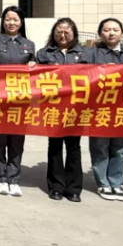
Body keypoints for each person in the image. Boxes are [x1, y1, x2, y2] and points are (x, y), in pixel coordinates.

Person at [82, 17, 123, 202]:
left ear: (122, 33)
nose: (111, 33)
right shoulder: (90, 54)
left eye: (115, 30)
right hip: (99, 109)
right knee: (100, 147)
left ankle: (116, 183)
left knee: (120, 148)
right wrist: (99, 71)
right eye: (106, 30)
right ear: (100, 33)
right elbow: (80, 76)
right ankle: (103, 183)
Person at [0, 5, 36, 197]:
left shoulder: (29, 45)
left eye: (15, 19)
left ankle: (13, 179)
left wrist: (34, 65)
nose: (11, 22)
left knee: (16, 142)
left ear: (21, 22)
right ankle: (1, 179)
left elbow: (37, 73)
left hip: (20, 101)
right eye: (8, 19)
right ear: (3, 21)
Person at [36, 17, 87, 202]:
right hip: (53, 107)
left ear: (74, 33)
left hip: (77, 107)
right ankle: (56, 187)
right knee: (55, 146)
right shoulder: (44, 53)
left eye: (67, 32)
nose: (63, 35)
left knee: (74, 147)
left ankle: (73, 188)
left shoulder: (85, 53)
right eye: (59, 32)